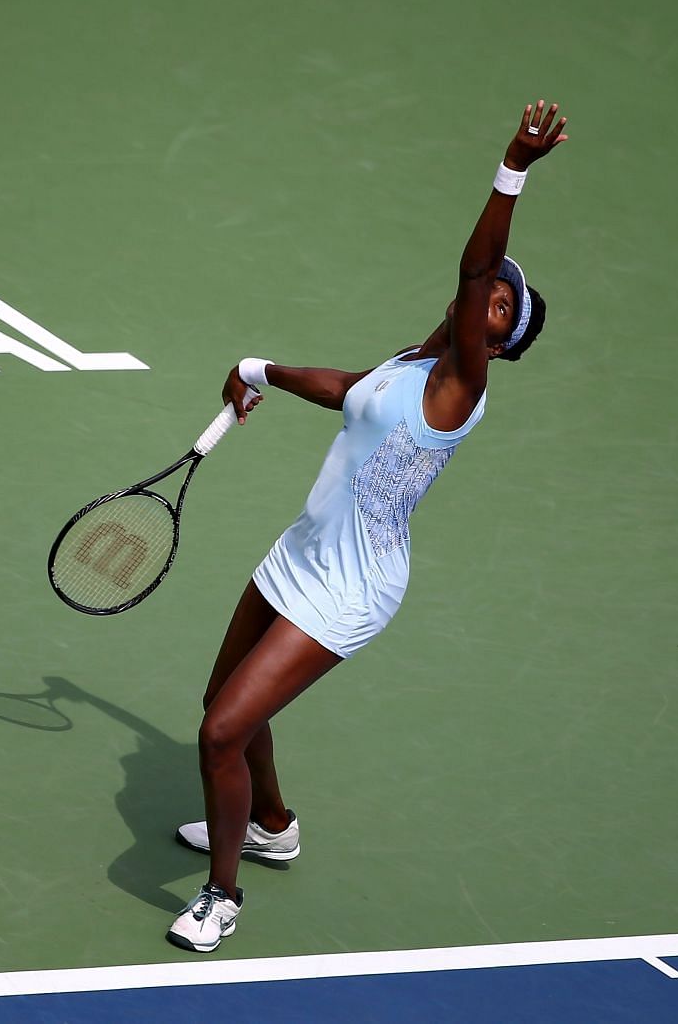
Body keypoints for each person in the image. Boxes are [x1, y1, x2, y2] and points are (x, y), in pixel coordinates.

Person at [165, 101, 568, 953]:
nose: (490, 295)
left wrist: (513, 169)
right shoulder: (412, 365)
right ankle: (271, 822)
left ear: (495, 346)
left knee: (219, 732)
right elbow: (345, 386)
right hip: (302, 552)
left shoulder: (462, 383)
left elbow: (471, 265)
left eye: (501, 306)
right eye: (491, 292)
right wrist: (256, 369)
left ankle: (222, 894)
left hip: (352, 588)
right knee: (223, 709)